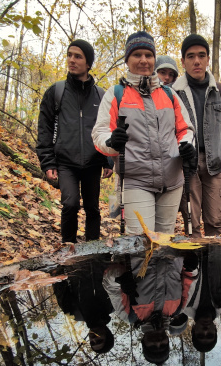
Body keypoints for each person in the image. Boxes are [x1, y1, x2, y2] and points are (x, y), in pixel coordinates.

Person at [93, 31, 195, 235]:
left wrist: (186, 144)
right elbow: (99, 133)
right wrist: (112, 142)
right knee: (141, 240)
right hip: (135, 179)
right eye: (137, 55)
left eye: (148, 55)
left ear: (154, 59)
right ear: (127, 59)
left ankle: (167, 269)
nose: (143, 60)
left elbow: (186, 129)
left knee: (165, 240)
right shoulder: (116, 94)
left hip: (172, 179)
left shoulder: (169, 94)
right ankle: (140, 269)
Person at [37, 39, 113, 243]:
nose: (72, 60)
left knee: (92, 207)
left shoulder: (101, 95)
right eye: (69, 55)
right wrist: (48, 161)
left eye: (78, 56)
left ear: (88, 63)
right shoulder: (57, 92)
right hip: (65, 162)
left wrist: (108, 160)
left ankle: (93, 250)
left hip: (93, 161)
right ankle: (67, 248)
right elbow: (44, 128)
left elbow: (108, 129)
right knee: (70, 204)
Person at [172, 34, 221, 238]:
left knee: (215, 224)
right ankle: (194, 269)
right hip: (187, 165)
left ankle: (215, 269)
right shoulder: (173, 92)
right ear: (183, 61)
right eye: (191, 56)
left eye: (202, 55)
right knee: (192, 226)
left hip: (215, 165)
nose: (197, 61)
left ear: (208, 59)